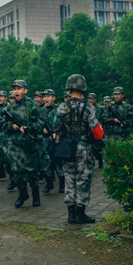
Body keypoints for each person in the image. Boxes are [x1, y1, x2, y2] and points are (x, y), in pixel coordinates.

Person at [53, 74, 104, 224]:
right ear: (83, 89)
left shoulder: (61, 107)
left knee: (69, 178)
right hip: (84, 147)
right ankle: (80, 214)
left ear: (69, 88)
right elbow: (97, 131)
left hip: (67, 147)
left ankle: (70, 214)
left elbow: (54, 127)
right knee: (83, 178)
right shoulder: (89, 107)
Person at [5, 79, 43, 208]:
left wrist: (29, 127)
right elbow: (1, 123)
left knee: (32, 172)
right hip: (16, 145)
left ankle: (36, 196)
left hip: (30, 144)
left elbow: (41, 122)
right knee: (16, 171)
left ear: (25, 90)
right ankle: (22, 194)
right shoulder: (9, 107)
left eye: (19, 88)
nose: (16, 91)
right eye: (14, 88)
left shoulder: (32, 105)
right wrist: (13, 126)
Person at [41, 89, 58, 193]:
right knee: (46, 163)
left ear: (54, 98)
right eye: (45, 97)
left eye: (48, 96)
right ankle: (49, 183)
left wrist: (57, 132)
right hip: (44, 140)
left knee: (58, 163)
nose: (46, 99)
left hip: (56, 140)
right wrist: (41, 129)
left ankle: (62, 182)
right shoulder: (40, 110)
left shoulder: (59, 110)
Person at [87, 93, 105, 169]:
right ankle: (92, 163)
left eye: (91, 99)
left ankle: (100, 161)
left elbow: (103, 118)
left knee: (98, 147)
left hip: (97, 129)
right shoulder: (86, 107)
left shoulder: (100, 108)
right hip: (89, 130)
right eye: (89, 99)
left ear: (95, 99)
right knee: (90, 147)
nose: (90, 100)